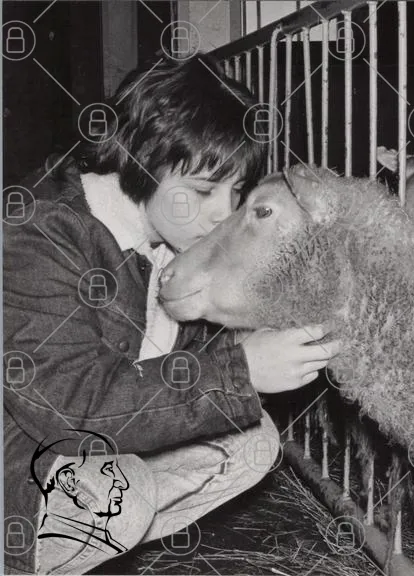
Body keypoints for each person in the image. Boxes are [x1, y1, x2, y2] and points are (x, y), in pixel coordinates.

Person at [4, 54, 341, 575]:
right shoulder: (40, 234)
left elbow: (186, 363)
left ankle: (88, 548)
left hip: (87, 443)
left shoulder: (168, 240)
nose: (222, 213)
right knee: (120, 498)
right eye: (204, 191)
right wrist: (240, 371)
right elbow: (69, 411)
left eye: (236, 193)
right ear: (141, 160)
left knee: (251, 444)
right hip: (23, 457)